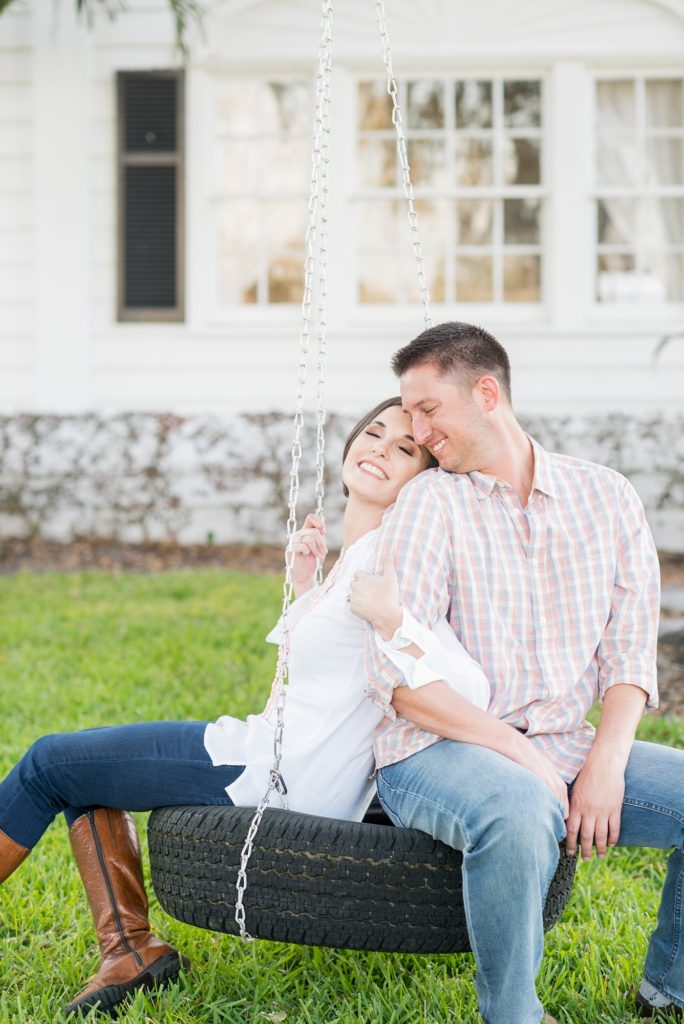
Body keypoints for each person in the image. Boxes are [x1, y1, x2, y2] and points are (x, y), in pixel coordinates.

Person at [0, 396, 490, 1019]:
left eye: (404, 449)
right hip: (262, 752)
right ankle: (131, 953)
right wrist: (307, 586)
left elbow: (471, 687)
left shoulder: (391, 563)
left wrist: (396, 620)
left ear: (422, 481)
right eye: (373, 433)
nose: (380, 450)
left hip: (277, 779)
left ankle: (133, 952)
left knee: (48, 763)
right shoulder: (350, 564)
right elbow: (298, 694)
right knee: (83, 772)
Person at [348, 321, 678, 1024]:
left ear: (487, 393)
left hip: (564, 744)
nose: (418, 429)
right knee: (521, 808)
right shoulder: (431, 503)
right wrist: (524, 757)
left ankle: (668, 988)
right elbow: (400, 679)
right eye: (409, 414)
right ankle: (513, 1014)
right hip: (435, 752)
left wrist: (607, 763)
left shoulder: (607, 497)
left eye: (427, 409)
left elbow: (628, 656)